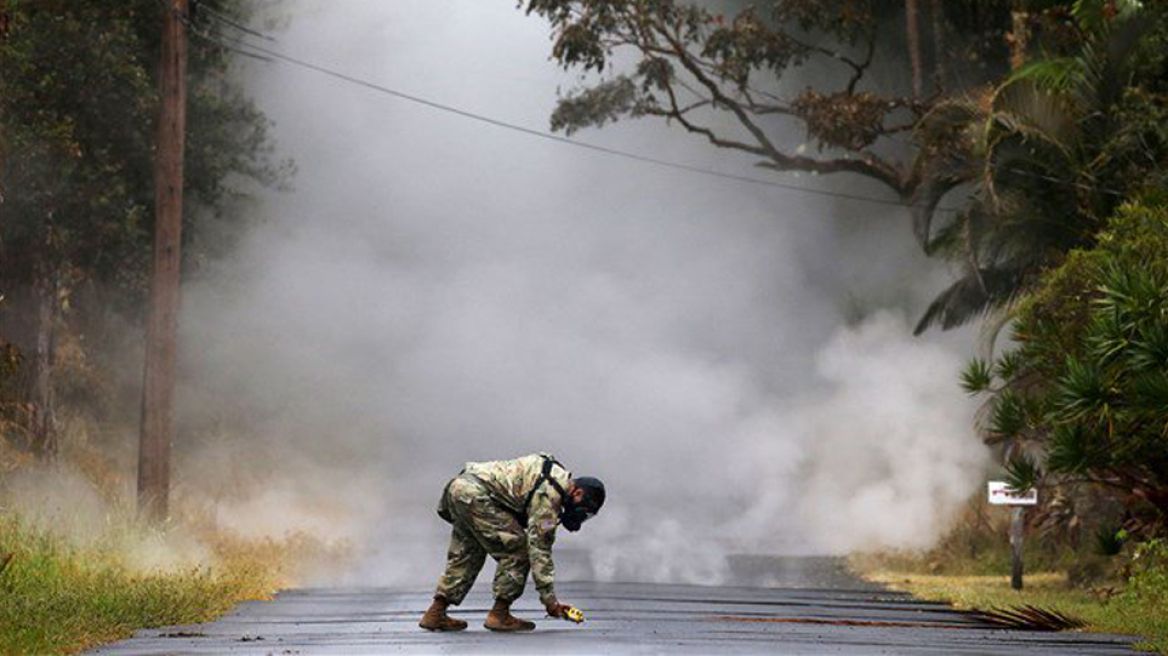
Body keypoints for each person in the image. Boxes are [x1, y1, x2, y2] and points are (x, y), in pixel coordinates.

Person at [419, 452, 605, 632]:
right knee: (518, 550)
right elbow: (539, 550)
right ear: (578, 493)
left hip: (460, 489)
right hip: (479, 496)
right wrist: (550, 602)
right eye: (584, 511)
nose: (581, 516)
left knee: (468, 553)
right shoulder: (550, 496)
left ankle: (435, 613)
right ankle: (499, 615)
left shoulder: (553, 475)